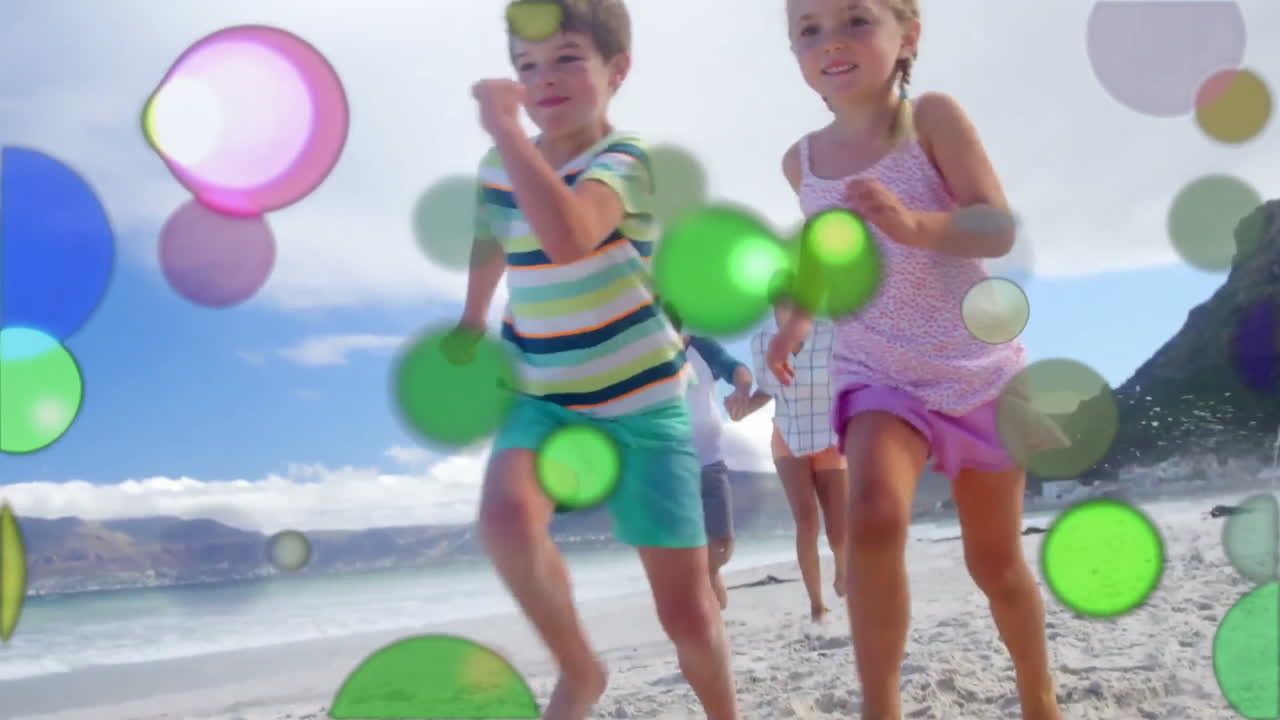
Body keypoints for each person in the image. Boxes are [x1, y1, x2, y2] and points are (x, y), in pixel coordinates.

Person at [769, 1, 1064, 718]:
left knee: (993, 562)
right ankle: (881, 706)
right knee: (870, 512)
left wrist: (913, 225)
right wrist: (797, 317)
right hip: (878, 374)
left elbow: (993, 224)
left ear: (909, 35)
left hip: (976, 371)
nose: (831, 41)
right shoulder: (800, 161)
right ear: (795, 53)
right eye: (809, 29)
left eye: (855, 20)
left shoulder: (931, 118)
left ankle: (1039, 693)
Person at [458, 2, 741, 718]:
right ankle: (579, 670)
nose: (542, 81)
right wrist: (471, 317)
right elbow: (493, 234)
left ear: (617, 69)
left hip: (642, 404)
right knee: (504, 519)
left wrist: (502, 129)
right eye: (527, 67)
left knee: (688, 616)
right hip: (542, 392)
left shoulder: (627, 161)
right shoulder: (502, 166)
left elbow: (570, 235)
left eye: (566, 59)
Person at [748, 298, 848, 623]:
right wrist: (742, 407)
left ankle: (844, 570)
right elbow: (767, 389)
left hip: (829, 435)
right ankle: (817, 605)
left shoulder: (831, 335)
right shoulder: (762, 342)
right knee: (806, 522)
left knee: (838, 530)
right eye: (782, 309)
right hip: (788, 434)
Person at [663, 305, 758, 610]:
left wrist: (742, 390)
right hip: (671, 467)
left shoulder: (702, 347)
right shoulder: (645, 358)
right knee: (691, 550)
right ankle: (709, 617)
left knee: (722, 547)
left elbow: (736, 368)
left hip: (710, 461)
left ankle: (705, 584)